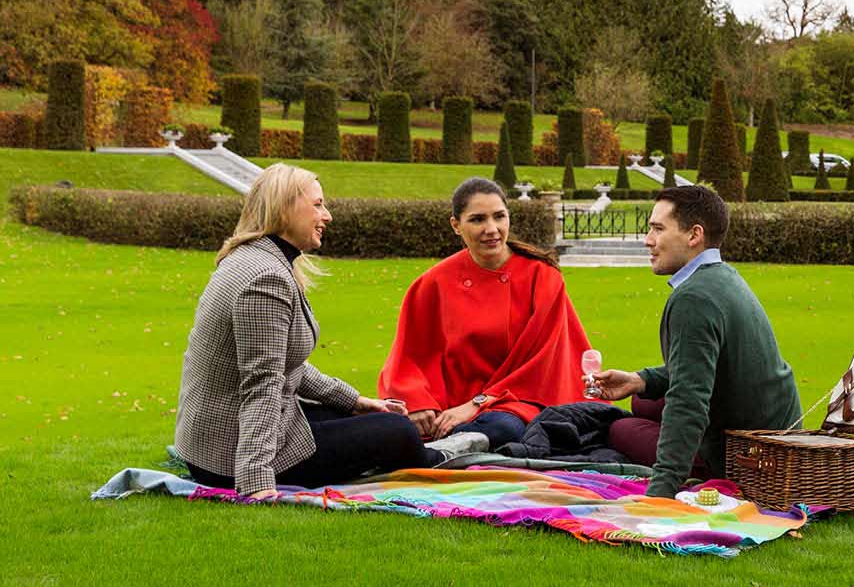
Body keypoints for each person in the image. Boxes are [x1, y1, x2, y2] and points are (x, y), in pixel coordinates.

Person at [175, 164, 435, 496]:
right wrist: (255, 480)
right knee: (398, 430)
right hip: (227, 457)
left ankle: (430, 453)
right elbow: (263, 382)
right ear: (284, 208)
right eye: (317, 204)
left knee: (360, 417)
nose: (327, 216)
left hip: (215, 442)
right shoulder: (265, 279)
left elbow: (288, 365)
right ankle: (437, 461)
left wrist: (356, 402)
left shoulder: (252, 258)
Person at [586, 184, 802, 497]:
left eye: (658, 229)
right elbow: (705, 365)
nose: (648, 240)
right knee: (640, 399)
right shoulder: (722, 276)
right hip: (771, 427)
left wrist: (661, 490)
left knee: (620, 429)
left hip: (747, 453)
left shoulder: (695, 298)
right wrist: (639, 380)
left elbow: (689, 400)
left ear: (693, 235)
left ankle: (700, 467)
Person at [377, 177, 595, 450]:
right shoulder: (433, 283)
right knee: (383, 424)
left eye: (499, 217)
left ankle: (444, 449)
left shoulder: (543, 279)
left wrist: (478, 404)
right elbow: (408, 356)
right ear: (456, 225)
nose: (491, 229)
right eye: (478, 219)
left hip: (520, 402)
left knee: (504, 427)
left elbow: (539, 367)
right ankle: (445, 444)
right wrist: (419, 403)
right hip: (449, 406)